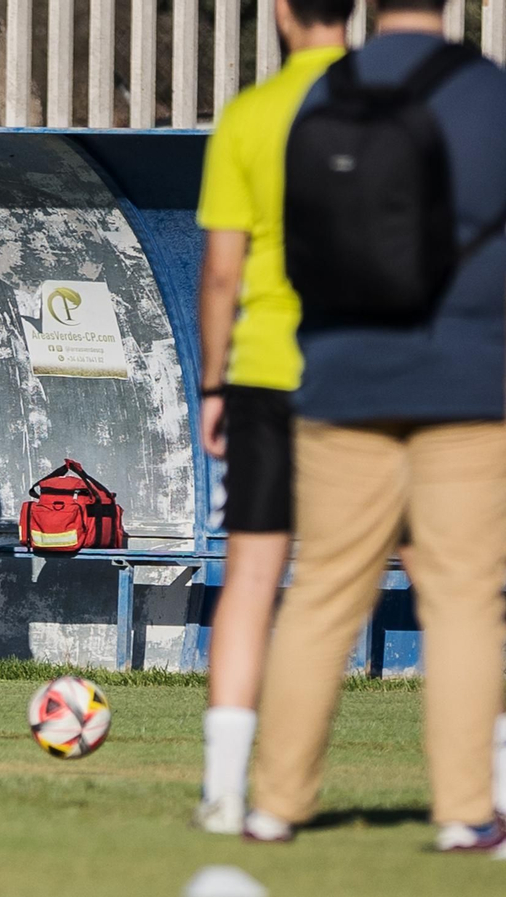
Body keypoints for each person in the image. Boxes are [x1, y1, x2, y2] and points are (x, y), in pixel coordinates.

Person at [245, 0, 506, 851]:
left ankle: (273, 806)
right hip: (467, 382)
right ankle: (466, 813)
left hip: (340, 378)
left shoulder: (323, 99)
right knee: (464, 597)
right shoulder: (487, 94)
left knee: (320, 594)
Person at [189, 0, 351, 834]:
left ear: (283, 12)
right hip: (373, 377)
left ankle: (225, 791)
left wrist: (214, 385)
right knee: (439, 576)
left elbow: (223, 271)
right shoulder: (390, 104)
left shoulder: (252, 115)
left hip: (266, 374)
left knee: (253, 577)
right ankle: (481, 796)